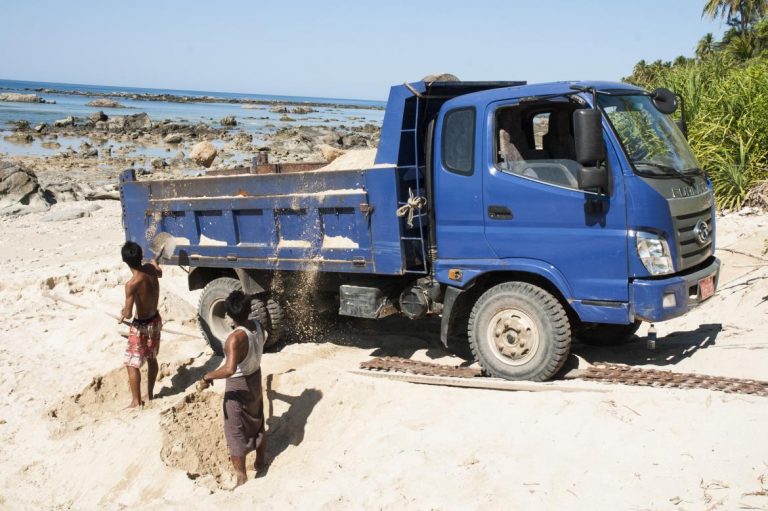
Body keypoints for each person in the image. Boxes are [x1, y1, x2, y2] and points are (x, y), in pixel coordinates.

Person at [199, 290, 267, 487]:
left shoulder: (234, 339)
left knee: (235, 429)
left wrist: (207, 375)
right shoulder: (257, 325)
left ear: (229, 315)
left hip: (239, 384)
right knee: (257, 419)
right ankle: (261, 460)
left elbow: (229, 370)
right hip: (255, 376)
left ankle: (241, 476)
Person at [119, 241, 163, 408]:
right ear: (141, 255)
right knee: (152, 358)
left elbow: (129, 314)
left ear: (125, 261)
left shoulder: (132, 284)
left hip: (142, 325)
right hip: (156, 320)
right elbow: (159, 272)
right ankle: (150, 394)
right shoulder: (151, 270)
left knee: (131, 363)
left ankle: (136, 401)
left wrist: (123, 313)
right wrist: (154, 263)